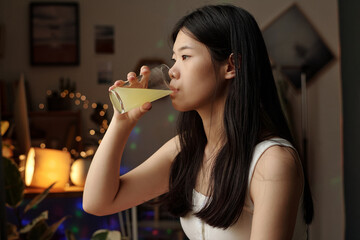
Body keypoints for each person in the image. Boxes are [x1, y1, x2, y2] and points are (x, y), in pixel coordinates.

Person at [83, 4, 313, 240]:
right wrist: (120, 123)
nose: (172, 71)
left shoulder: (272, 162)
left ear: (231, 66)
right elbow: (97, 203)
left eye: (185, 56)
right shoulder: (185, 149)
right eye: (174, 59)